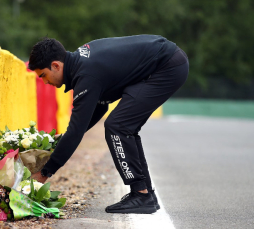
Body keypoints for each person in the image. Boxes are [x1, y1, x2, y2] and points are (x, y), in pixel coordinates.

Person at [29, 35, 189, 214]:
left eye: (44, 75)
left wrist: (45, 173)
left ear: (56, 66)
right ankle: (145, 193)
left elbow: (76, 130)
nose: (45, 82)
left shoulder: (86, 75)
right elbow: (98, 109)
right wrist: (62, 141)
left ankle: (142, 195)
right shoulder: (81, 65)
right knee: (122, 126)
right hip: (167, 61)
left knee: (118, 126)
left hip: (167, 66)